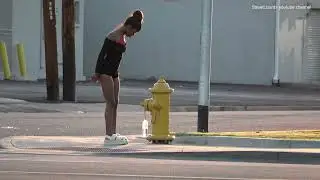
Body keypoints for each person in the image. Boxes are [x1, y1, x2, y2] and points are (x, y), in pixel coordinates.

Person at [92, 10, 144, 142]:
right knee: (110, 102)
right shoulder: (112, 36)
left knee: (116, 103)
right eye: (134, 32)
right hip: (105, 72)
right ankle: (108, 135)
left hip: (115, 73)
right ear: (128, 27)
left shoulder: (123, 37)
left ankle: (114, 133)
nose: (133, 35)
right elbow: (101, 55)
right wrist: (97, 73)